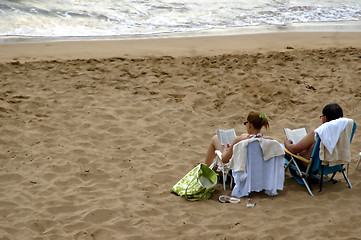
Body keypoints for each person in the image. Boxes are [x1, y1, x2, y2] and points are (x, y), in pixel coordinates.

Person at [205, 111, 272, 167]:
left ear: (249, 125)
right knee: (244, 135)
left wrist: (226, 148)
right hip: (257, 169)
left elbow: (225, 159)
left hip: (238, 169)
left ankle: (205, 167)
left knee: (215, 138)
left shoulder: (239, 140)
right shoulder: (269, 140)